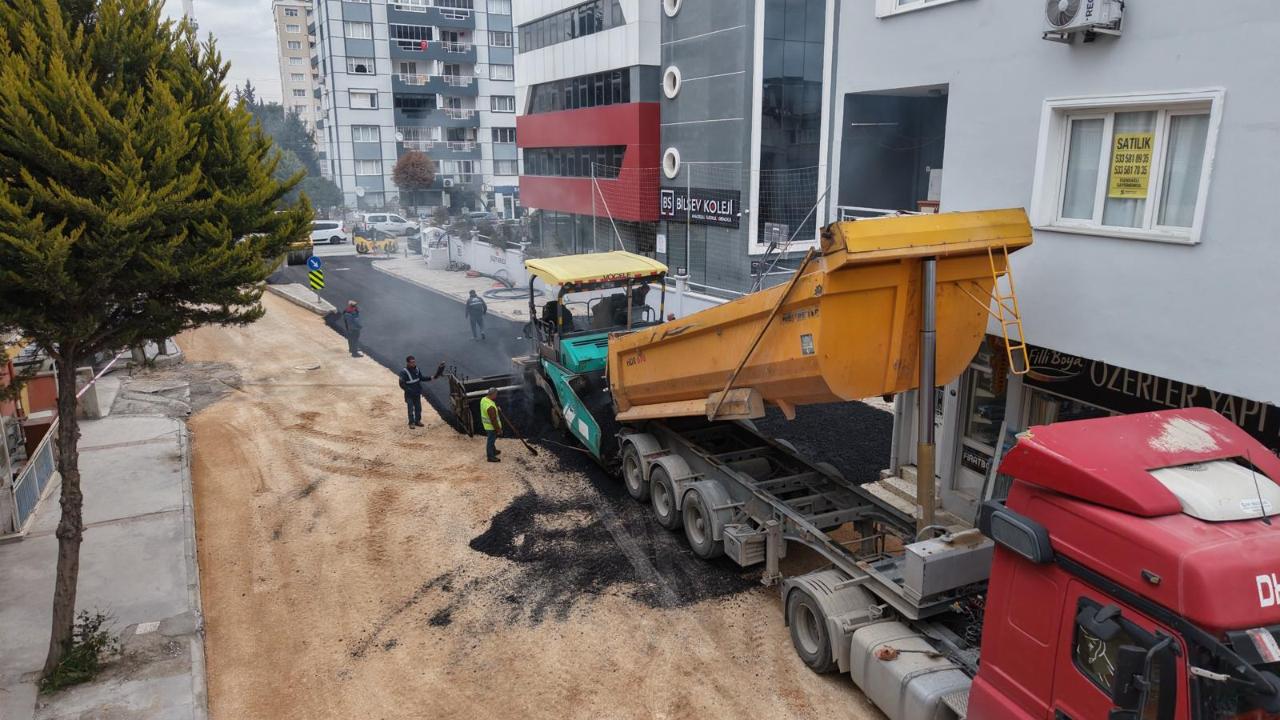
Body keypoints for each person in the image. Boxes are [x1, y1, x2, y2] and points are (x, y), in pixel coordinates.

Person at [398, 355, 445, 428]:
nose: (414, 363)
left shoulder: (417, 369)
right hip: (409, 394)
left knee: (418, 408)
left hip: (417, 393)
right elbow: (401, 384)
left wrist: (431, 378)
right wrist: (409, 390)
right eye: (412, 362)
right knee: (410, 408)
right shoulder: (404, 372)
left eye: (414, 362)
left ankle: (417, 421)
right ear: (408, 363)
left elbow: (421, 378)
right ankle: (411, 423)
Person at [480, 386, 502, 462]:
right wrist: (498, 429)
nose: (496, 396)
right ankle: (490, 457)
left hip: (486, 425)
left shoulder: (484, 399)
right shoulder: (490, 407)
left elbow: (491, 405)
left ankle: (494, 450)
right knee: (491, 441)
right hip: (491, 427)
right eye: (496, 394)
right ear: (492, 394)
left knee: (492, 439)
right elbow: (493, 420)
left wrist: (496, 407)